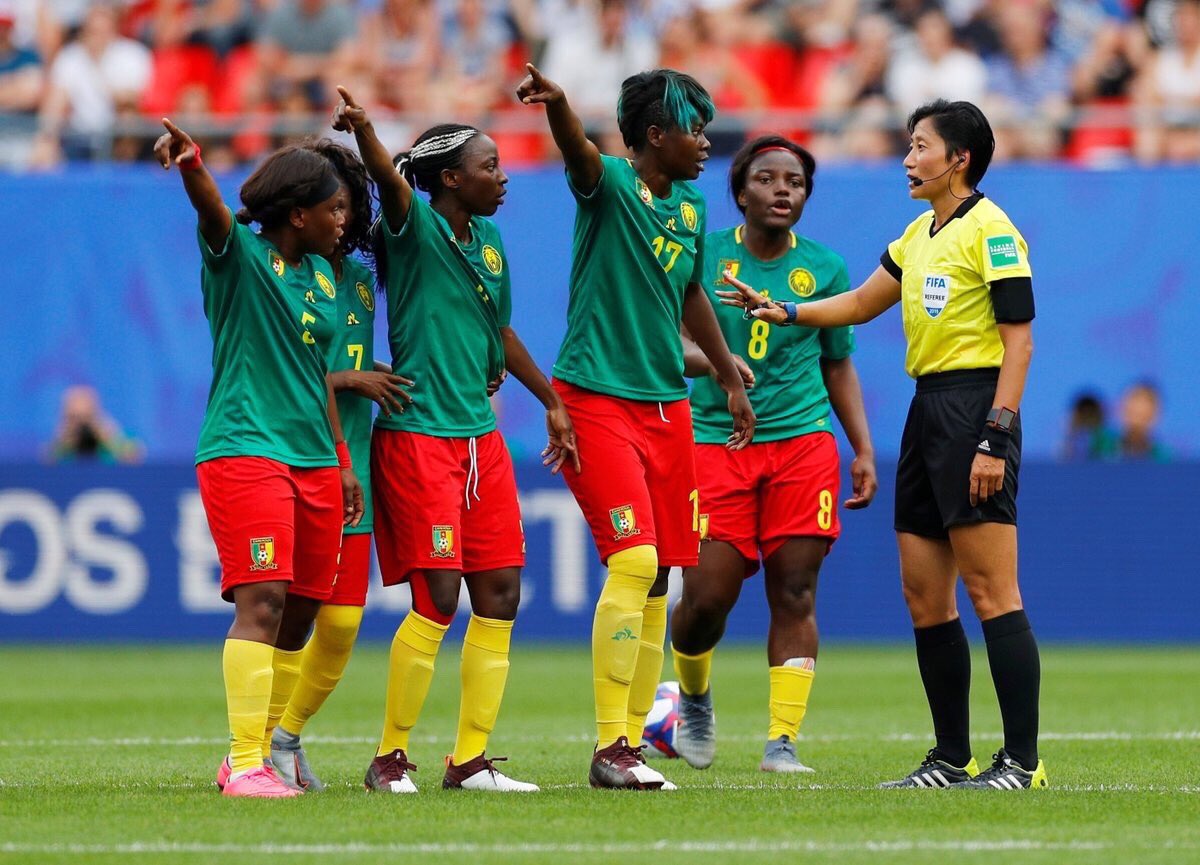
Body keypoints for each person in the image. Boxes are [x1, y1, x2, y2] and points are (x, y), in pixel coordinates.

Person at [721, 100, 1047, 791]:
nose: (908, 158)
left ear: (959, 158)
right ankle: (949, 757)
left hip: (973, 410)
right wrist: (784, 310)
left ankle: (1022, 760)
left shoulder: (992, 231)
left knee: (993, 590)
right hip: (926, 409)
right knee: (925, 595)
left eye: (920, 146)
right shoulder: (920, 232)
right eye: (908, 145)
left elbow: (1019, 340)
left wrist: (997, 432)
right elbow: (865, 302)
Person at [517, 63, 755, 790]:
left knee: (660, 578)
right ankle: (609, 744)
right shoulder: (611, 185)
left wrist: (723, 370)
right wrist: (560, 107)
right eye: (694, 128)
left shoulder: (689, 210)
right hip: (595, 398)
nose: (706, 141)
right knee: (633, 562)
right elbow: (578, 154)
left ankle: (631, 744)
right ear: (654, 136)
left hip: (668, 408)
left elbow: (690, 297)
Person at [335, 85, 577, 793]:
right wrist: (368, 133)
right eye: (490, 165)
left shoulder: (491, 240)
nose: (503, 176)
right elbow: (387, 177)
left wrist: (552, 400)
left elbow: (498, 329)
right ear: (450, 178)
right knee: (438, 595)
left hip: (480, 437)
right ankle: (388, 758)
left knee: (499, 592)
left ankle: (468, 760)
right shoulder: (414, 228)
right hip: (418, 437)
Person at [155, 118, 364, 798]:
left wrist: (341, 458)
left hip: (314, 458)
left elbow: (317, 374)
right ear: (297, 213)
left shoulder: (327, 280)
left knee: (302, 613)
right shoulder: (239, 257)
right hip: (247, 447)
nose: (345, 220)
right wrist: (191, 163)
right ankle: (245, 761)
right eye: (334, 208)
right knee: (264, 602)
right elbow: (215, 211)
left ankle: (264, 752)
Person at [668, 135, 877, 775]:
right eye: (767, 178)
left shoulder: (827, 268)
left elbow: (837, 365)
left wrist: (862, 447)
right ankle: (693, 697)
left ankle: (781, 742)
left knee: (796, 589)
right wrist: (722, 368)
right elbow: (671, 346)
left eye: (796, 181)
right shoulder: (701, 259)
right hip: (713, 441)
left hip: (802, 441)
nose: (783, 189)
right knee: (707, 597)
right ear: (739, 193)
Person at [268, 138, 415, 792]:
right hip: (293, 456)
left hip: (351, 461)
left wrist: (379, 372)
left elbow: (346, 353)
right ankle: (254, 743)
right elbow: (288, 367)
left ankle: (285, 733)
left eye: (351, 206)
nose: (345, 218)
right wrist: (353, 379)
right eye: (335, 204)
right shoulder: (274, 272)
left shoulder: (355, 276)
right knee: (286, 612)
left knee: (344, 621)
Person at [46, 385, 143, 464]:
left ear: (97, 415)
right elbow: (44, 471)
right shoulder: (59, 447)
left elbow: (136, 462)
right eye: (74, 418)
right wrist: (62, 444)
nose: (81, 425)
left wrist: (110, 439)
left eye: (87, 417)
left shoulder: (118, 440)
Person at [1115, 380, 1171, 461]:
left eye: (1142, 415)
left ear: (1155, 414)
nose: (1136, 422)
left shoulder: (1163, 457)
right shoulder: (1103, 449)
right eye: (1132, 412)